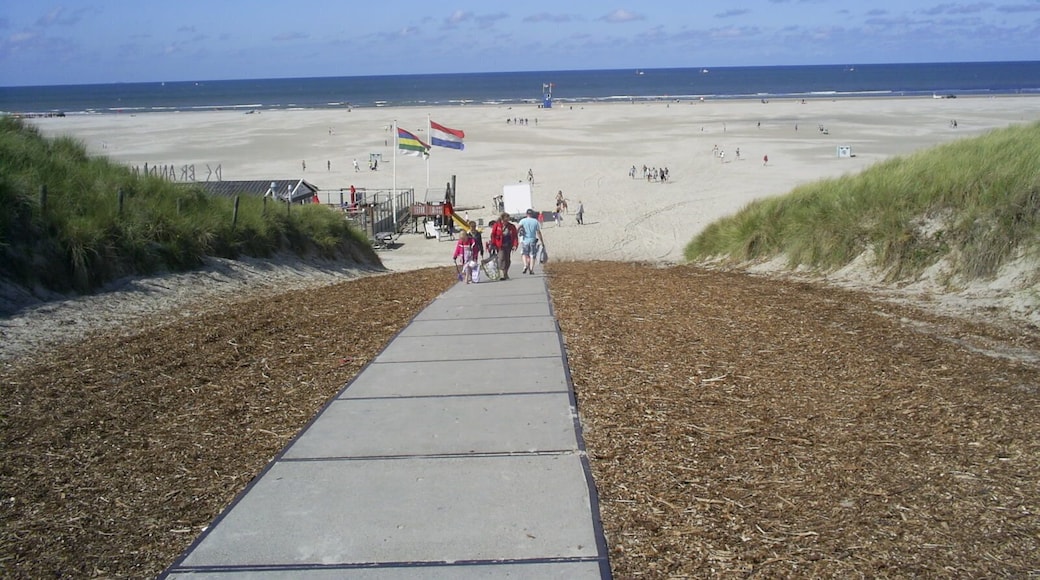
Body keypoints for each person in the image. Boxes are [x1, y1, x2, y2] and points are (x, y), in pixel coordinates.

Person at [490, 212, 518, 279]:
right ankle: (501, 273)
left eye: (507, 220)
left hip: (508, 244)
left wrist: (515, 245)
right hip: (499, 245)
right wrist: (493, 244)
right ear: (502, 219)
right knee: (501, 258)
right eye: (505, 220)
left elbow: (515, 237)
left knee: (507, 260)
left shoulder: (511, 226)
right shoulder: (497, 225)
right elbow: (493, 235)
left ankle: (505, 273)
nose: (506, 222)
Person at [518, 209, 544, 275]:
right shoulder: (535, 221)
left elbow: (518, 229)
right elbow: (538, 232)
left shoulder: (522, 221)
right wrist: (542, 241)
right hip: (532, 240)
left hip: (525, 240)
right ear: (532, 214)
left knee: (524, 254)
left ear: (526, 214)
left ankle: (525, 265)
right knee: (532, 255)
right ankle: (531, 269)